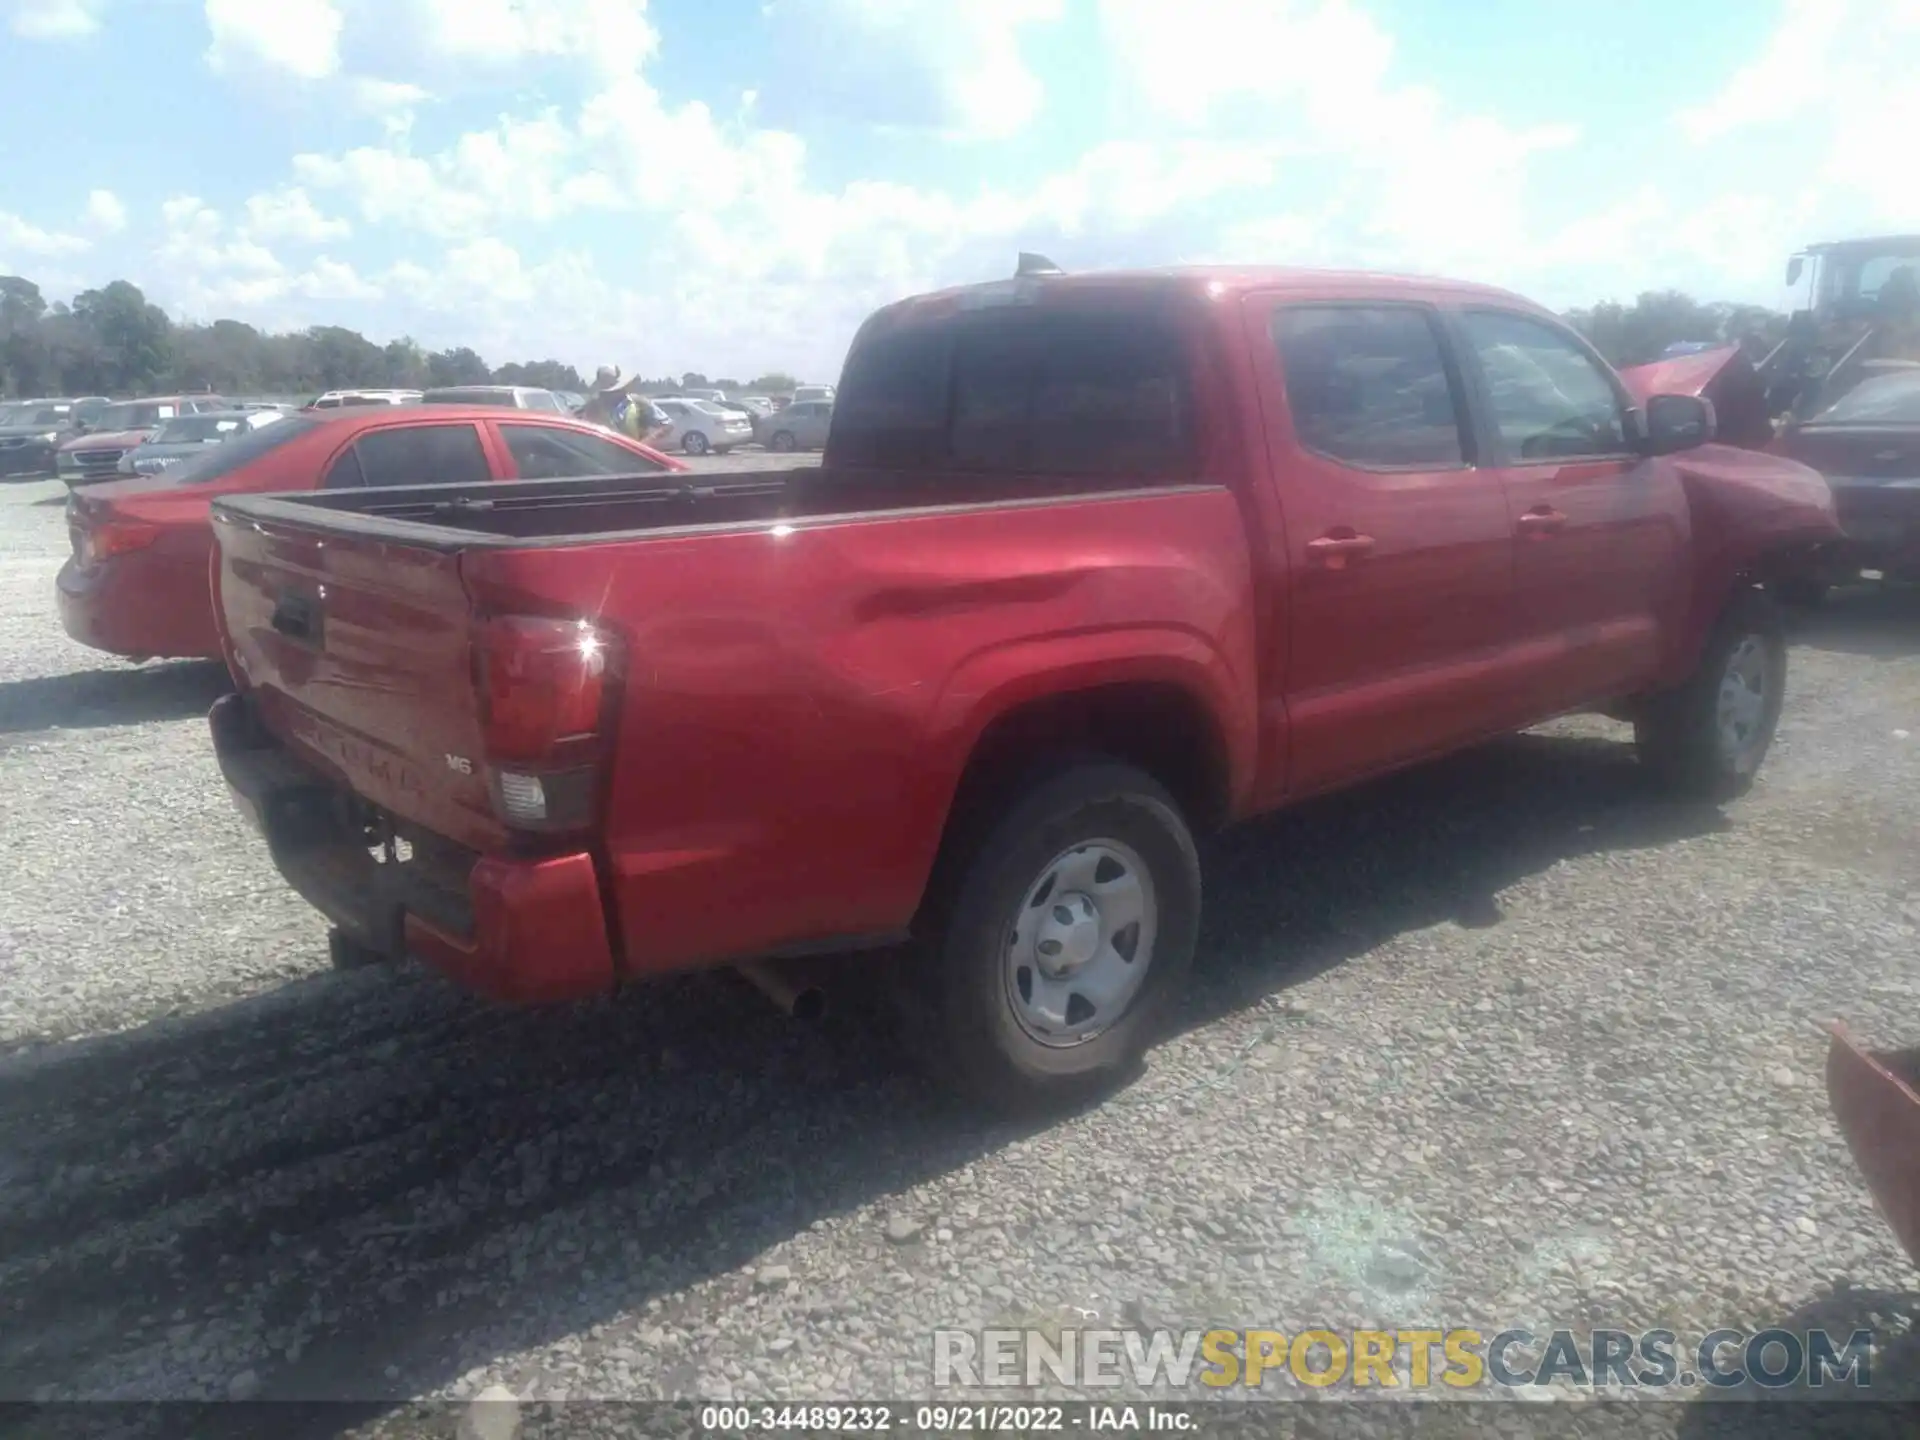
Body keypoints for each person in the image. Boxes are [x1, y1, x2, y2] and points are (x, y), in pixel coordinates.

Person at [582, 365, 670, 448]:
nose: (607, 395)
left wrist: (642, 445)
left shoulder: (638, 403)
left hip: (634, 459)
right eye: (604, 392)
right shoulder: (593, 406)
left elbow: (667, 425)